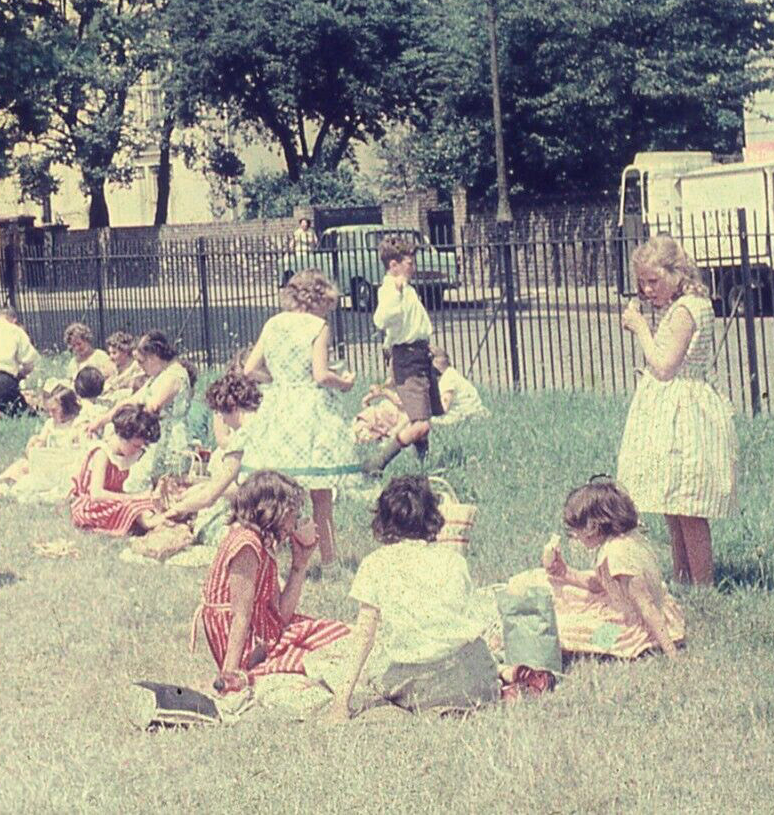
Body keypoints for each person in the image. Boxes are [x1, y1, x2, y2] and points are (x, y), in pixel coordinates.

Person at [304, 475, 501, 719]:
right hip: (473, 682)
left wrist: (340, 703)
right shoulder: (454, 560)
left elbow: (364, 636)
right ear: (433, 515)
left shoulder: (376, 564)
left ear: (384, 519)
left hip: (422, 687)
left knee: (371, 670)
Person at [616, 234, 737, 586]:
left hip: (684, 412)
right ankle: (683, 577)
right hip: (674, 408)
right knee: (673, 499)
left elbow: (664, 365)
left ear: (677, 272)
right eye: (642, 283)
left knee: (688, 505)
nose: (647, 290)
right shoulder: (683, 305)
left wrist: (640, 328)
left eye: (653, 281)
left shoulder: (686, 310)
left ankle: (702, 583)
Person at [231, 270, 359, 567]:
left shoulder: (273, 323)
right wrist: (345, 382)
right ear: (316, 300)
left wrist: (277, 378)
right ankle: (329, 560)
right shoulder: (318, 326)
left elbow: (249, 370)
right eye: (325, 304)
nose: (326, 310)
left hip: (279, 406)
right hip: (309, 410)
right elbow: (320, 374)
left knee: (278, 487)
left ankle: (269, 557)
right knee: (321, 491)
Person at [192, 471, 348, 693]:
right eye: (293, 513)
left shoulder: (264, 543)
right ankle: (244, 676)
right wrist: (229, 675)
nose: (295, 521)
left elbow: (280, 616)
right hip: (239, 640)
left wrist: (300, 564)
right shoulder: (246, 544)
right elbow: (240, 615)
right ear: (273, 510)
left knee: (335, 634)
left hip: (259, 630)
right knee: (315, 657)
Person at [536, 478, 685, 659]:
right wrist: (564, 573)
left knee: (567, 630)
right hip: (627, 607)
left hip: (630, 626)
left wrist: (672, 653)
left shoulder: (618, 556)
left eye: (576, 531)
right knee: (557, 590)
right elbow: (601, 585)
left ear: (593, 527)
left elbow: (647, 607)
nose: (574, 536)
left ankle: (604, 647)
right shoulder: (623, 540)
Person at [370, 235, 442, 473]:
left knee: (421, 418)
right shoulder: (390, 289)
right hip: (408, 357)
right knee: (421, 426)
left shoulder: (407, 289)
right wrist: (397, 294)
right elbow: (381, 320)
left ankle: (425, 467)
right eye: (409, 263)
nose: (414, 267)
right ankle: (378, 462)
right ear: (394, 265)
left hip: (420, 355)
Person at [159, 371, 260, 542]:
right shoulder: (263, 423)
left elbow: (210, 496)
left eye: (221, 413)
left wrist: (175, 509)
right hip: (280, 503)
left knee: (208, 528)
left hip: (260, 510)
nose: (223, 421)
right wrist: (197, 490)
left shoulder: (240, 439)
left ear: (232, 407)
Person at [86, 331, 194, 489]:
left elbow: (152, 407)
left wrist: (127, 423)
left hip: (171, 440)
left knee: (161, 483)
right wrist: (102, 420)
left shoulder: (174, 376)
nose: (141, 368)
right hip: (157, 438)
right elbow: (132, 400)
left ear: (154, 356)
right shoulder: (158, 376)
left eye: (142, 362)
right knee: (146, 482)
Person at [68, 406, 174, 537]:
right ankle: (152, 524)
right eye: (135, 446)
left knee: (147, 503)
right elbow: (96, 494)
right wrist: (133, 497)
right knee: (133, 505)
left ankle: (157, 520)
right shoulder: (102, 453)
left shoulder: (126, 453)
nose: (137, 450)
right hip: (94, 506)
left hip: (112, 499)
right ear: (122, 437)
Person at [431, 346, 488, 425]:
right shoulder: (451, 373)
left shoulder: (447, 378)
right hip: (470, 413)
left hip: (464, 416)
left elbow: (444, 407)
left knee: (427, 422)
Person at [101, 331, 145, 398]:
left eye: (114, 353)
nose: (111, 357)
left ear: (125, 352)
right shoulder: (113, 368)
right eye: (109, 353)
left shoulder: (138, 369)